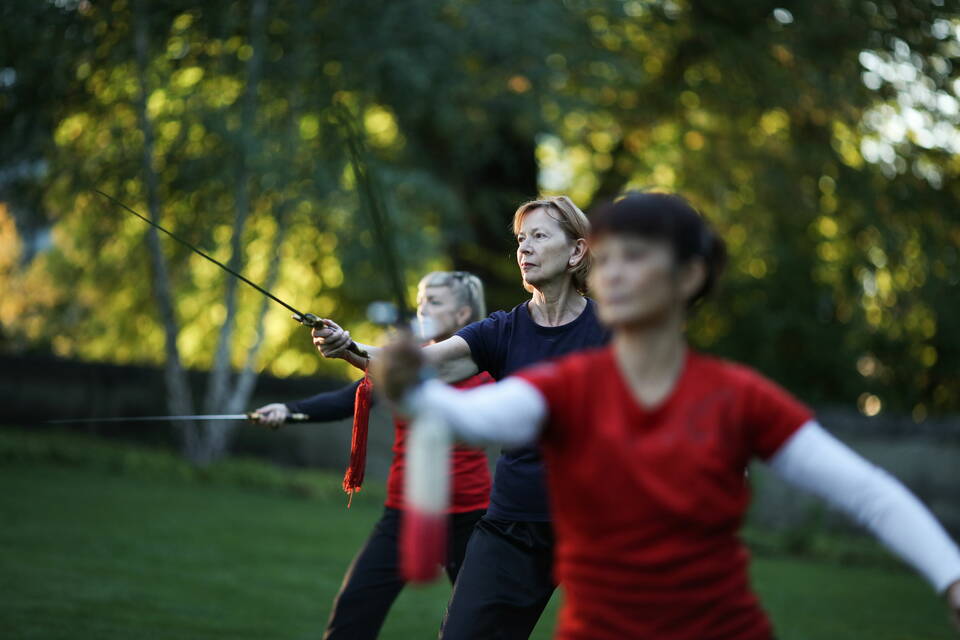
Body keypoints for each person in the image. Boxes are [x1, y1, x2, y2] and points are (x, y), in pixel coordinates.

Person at [375, 192, 960, 639]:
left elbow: (868, 493)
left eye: (639, 257)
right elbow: (474, 418)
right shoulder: (571, 386)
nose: (616, 272)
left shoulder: (738, 398)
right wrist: (409, 380)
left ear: (689, 277)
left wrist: (951, 576)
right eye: (613, 259)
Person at [313, 196, 610, 638]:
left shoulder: (613, 331)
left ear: (576, 251)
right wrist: (351, 348)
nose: (524, 248)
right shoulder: (502, 329)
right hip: (514, 524)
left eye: (540, 236)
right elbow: (428, 364)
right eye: (521, 239)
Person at [253, 271, 493, 640]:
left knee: (477, 627)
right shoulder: (403, 365)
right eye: (420, 300)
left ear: (463, 314)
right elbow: (348, 397)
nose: (422, 308)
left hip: (467, 517)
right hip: (404, 511)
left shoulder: (489, 365)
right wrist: (288, 408)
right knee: (352, 614)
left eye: (435, 301)